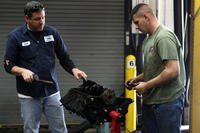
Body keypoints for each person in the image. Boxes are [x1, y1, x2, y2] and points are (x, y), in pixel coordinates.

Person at [3, 1, 87, 133]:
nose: (41, 21)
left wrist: (74, 69)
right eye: (37, 19)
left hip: (52, 91)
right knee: (31, 130)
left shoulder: (52, 33)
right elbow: (8, 65)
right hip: (28, 95)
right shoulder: (15, 36)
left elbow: (64, 57)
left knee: (60, 129)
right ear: (27, 18)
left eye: (43, 17)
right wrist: (22, 71)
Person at [125, 3, 186, 133]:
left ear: (146, 17)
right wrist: (136, 79)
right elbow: (153, 70)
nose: (136, 26)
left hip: (168, 102)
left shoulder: (163, 37)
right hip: (151, 102)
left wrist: (146, 86)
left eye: (137, 22)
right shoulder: (148, 40)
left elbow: (173, 70)